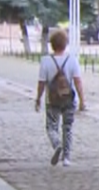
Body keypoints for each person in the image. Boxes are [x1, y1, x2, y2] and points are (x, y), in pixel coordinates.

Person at [35, 29, 86, 167]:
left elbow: (41, 82)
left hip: (52, 100)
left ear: (52, 44)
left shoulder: (45, 61)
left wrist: (38, 99)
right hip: (69, 99)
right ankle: (66, 158)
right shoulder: (72, 60)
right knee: (67, 127)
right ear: (66, 44)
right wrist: (82, 100)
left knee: (51, 127)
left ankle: (57, 144)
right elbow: (77, 81)